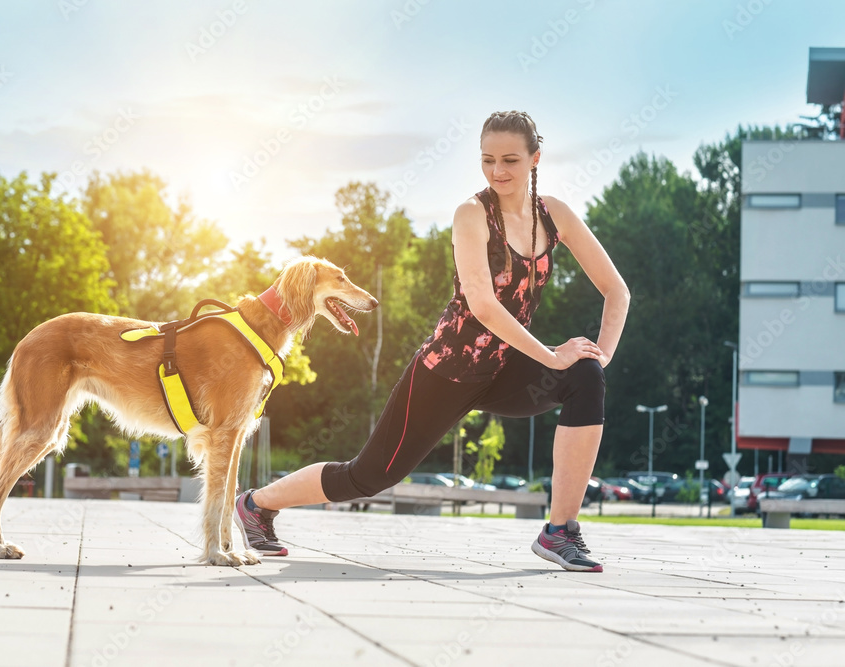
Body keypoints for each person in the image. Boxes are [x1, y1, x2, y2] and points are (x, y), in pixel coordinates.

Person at [235, 111, 629, 572]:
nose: (498, 171)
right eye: (488, 160)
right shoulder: (471, 214)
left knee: (584, 377)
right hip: (448, 370)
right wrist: (550, 356)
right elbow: (482, 304)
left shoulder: (554, 215)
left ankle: (560, 530)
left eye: (510, 160)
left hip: (507, 367)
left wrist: (598, 359)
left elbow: (616, 290)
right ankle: (256, 504)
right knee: (367, 477)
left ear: (535, 158)